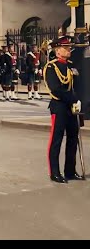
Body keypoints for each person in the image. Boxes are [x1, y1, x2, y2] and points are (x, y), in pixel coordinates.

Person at [44, 35, 83, 183]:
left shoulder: (71, 66)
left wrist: (79, 100)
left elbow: (78, 85)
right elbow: (55, 89)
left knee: (73, 139)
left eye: (69, 48)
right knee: (56, 139)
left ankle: (70, 171)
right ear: (58, 50)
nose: (69, 50)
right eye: (66, 48)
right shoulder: (51, 67)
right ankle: (54, 172)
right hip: (59, 106)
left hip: (72, 107)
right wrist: (73, 98)